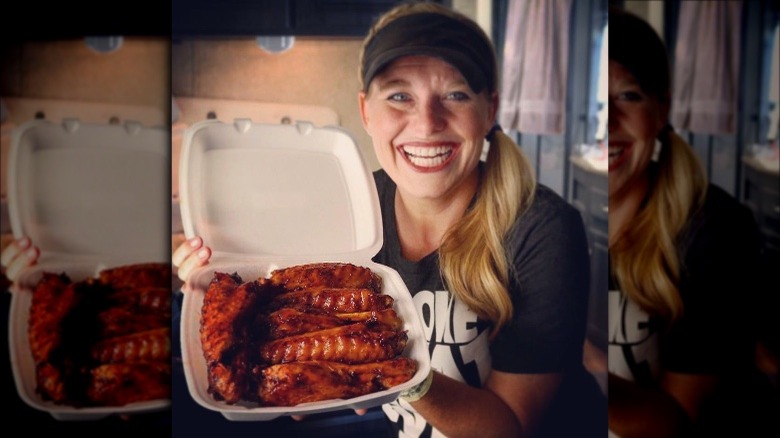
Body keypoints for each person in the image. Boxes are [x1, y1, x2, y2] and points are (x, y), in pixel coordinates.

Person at [173, 4, 605, 437]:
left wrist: (392, 377)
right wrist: (216, 300)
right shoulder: (352, 208)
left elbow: (510, 429)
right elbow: (298, 393)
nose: (427, 122)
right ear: (365, 111)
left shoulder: (541, 230)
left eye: (456, 94)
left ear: (489, 109)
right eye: (399, 95)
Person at [607, 7, 777, 438]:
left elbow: (682, 423)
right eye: (595, 102)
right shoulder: (553, 221)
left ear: (661, 110)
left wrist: (577, 365)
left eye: (628, 96)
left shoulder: (712, 231)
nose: (607, 123)